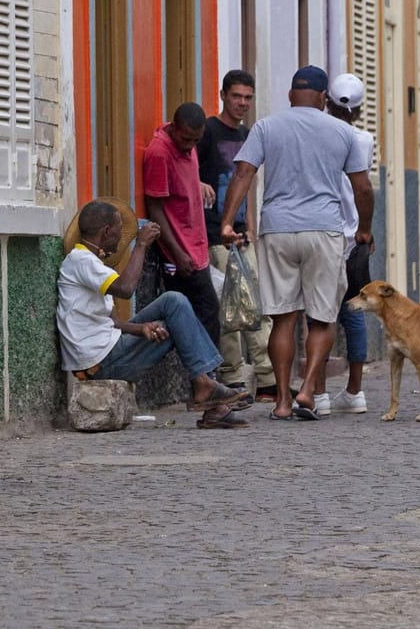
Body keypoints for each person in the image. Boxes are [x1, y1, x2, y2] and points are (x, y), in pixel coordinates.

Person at [218, 66, 373, 421]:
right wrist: (364, 228)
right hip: (324, 230)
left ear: (290, 95)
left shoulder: (267, 127)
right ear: (322, 99)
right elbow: (362, 187)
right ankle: (308, 391)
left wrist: (228, 222)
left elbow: (244, 172)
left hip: (277, 230)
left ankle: (282, 403)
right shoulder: (342, 131)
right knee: (322, 317)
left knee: (283, 319)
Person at [57, 200, 249, 428]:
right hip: (99, 363)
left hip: (107, 351)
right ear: (106, 232)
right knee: (176, 305)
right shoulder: (81, 261)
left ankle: (210, 395)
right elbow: (126, 290)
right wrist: (141, 245)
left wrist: (141, 328)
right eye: (119, 233)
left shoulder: (91, 263)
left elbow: (113, 322)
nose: (121, 240)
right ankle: (207, 387)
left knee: (174, 303)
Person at [144, 102, 231, 386]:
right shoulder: (159, 152)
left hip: (196, 247)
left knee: (203, 314)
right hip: (179, 253)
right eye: (185, 139)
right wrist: (178, 253)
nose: (189, 146)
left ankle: (205, 381)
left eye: (195, 140)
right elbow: (155, 207)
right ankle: (206, 382)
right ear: (173, 127)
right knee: (205, 313)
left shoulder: (189, 147)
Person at [198, 70, 273, 399]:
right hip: (215, 232)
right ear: (223, 95)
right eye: (237, 96)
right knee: (228, 306)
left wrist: (252, 224)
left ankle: (267, 373)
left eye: (248, 98)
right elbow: (190, 170)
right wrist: (198, 183)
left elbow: (248, 181)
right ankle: (231, 373)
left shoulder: (249, 135)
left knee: (256, 303)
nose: (242, 103)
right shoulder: (208, 132)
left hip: (242, 232)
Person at [314, 73, 375, 418]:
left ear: (326, 101)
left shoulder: (317, 134)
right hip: (353, 235)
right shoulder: (363, 139)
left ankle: (318, 391)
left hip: (323, 231)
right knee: (353, 313)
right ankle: (355, 391)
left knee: (319, 313)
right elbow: (363, 190)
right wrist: (366, 230)